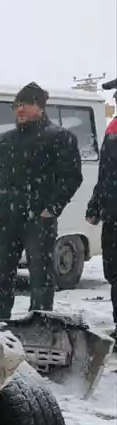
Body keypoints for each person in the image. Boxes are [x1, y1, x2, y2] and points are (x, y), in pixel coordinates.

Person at [0, 81, 83, 319]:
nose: (20, 109)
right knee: (1, 275)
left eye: (27, 104)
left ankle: (39, 322)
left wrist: (52, 208)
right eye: (17, 105)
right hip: (4, 218)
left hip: (39, 218)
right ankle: (0, 322)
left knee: (40, 276)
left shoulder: (59, 137)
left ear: (40, 107)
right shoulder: (6, 140)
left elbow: (72, 177)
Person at [85, 76, 117, 337]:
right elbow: (106, 174)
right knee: (115, 273)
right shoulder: (113, 129)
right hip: (113, 214)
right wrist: (96, 204)